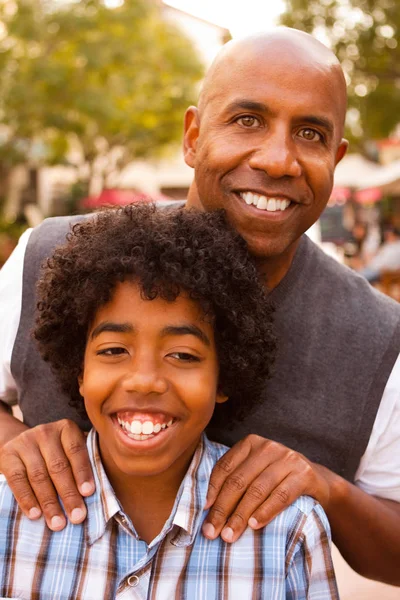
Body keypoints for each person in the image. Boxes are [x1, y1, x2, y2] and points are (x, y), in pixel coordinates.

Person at [0, 27, 399, 585]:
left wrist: (325, 488)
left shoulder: (378, 338)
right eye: (247, 120)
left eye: (309, 134)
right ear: (192, 136)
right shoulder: (49, 258)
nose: (279, 159)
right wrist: (16, 449)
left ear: (335, 160)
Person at [0, 204, 338, 599]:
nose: (144, 381)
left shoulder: (288, 533)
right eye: (112, 350)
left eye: (183, 355)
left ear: (223, 377)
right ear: (80, 371)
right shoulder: (9, 514)